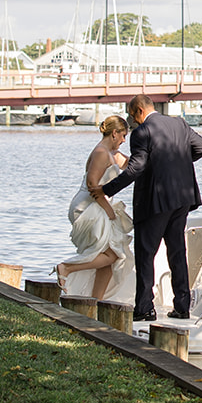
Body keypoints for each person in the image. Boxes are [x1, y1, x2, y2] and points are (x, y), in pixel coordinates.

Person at [96, 94, 202, 321]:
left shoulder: (142, 132)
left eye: (132, 116)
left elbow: (137, 167)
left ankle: (145, 308)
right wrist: (177, 165)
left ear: (139, 110)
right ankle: (182, 306)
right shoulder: (180, 123)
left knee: (146, 254)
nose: (133, 122)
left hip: (154, 201)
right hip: (182, 198)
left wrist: (107, 189)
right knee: (177, 252)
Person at [56, 115, 134, 301]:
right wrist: (108, 210)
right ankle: (66, 268)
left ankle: (96, 301)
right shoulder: (100, 152)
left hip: (99, 205)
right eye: (123, 135)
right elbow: (92, 184)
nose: (124, 140)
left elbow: (134, 165)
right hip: (88, 207)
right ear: (114, 133)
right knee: (113, 254)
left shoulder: (113, 154)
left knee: (108, 259)